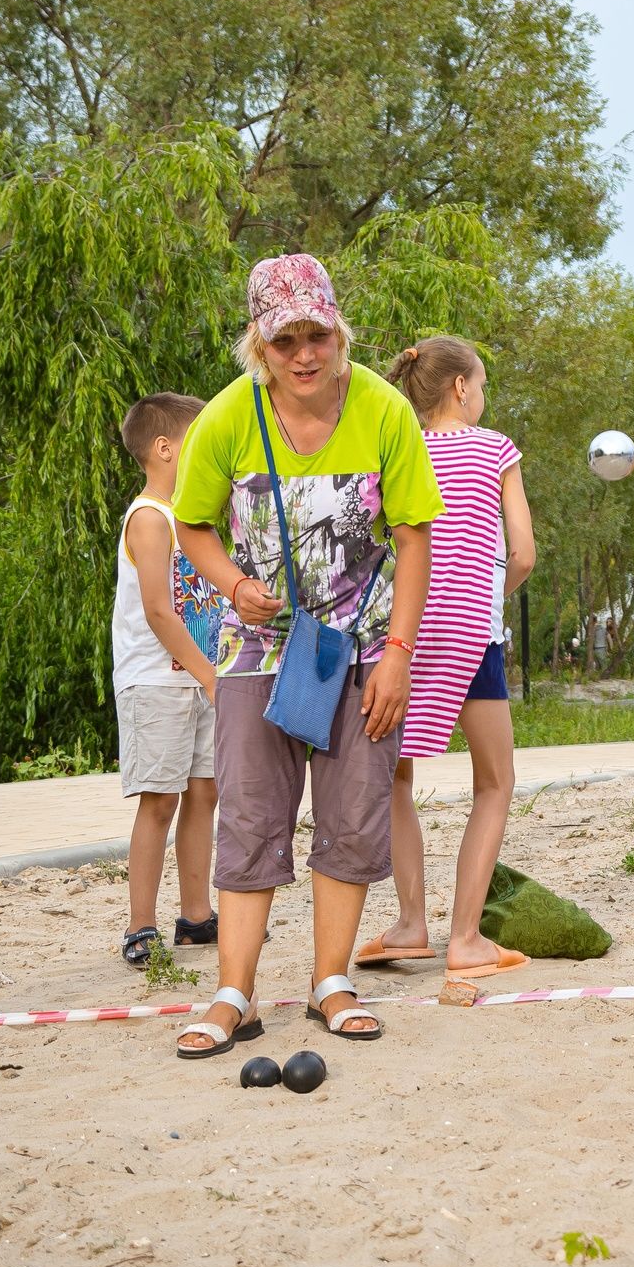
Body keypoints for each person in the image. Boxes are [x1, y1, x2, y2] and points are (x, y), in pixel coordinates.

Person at [168, 254, 442, 1054]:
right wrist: (231, 582)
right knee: (250, 811)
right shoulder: (226, 416)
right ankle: (234, 993)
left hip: (363, 643)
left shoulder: (385, 410)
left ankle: (331, 981)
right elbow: (192, 524)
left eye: (315, 333)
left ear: (337, 328)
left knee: (355, 812)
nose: (303, 354)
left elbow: (415, 534)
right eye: (284, 339)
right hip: (257, 648)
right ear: (260, 342)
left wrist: (399, 654)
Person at [369, 335, 538, 980]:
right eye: (483, 385)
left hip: (403, 637)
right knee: (494, 782)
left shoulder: (396, 450)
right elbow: (521, 554)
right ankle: (464, 937)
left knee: (396, 779)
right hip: (473, 636)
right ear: (461, 388)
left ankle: (411, 924)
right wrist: (488, 595)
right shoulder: (495, 450)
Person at [113, 393, 222, 968]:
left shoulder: (190, 521)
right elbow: (159, 609)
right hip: (157, 685)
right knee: (160, 801)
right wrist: (210, 676)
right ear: (164, 449)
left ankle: (197, 915)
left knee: (205, 793)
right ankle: (140, 925)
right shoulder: (149, 519)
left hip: (200, 681)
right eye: (196, 440)